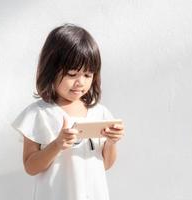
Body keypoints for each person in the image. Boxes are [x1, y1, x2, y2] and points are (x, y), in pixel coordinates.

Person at [12, 23, 125, 200]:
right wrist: (57, 144)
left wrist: (111, 143)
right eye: (72, 74)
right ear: (51, 71)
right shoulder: (38, 113)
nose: (80, 82)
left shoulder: (99, 112)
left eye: (88, 75)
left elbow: (105, 165)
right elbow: (30, 167)